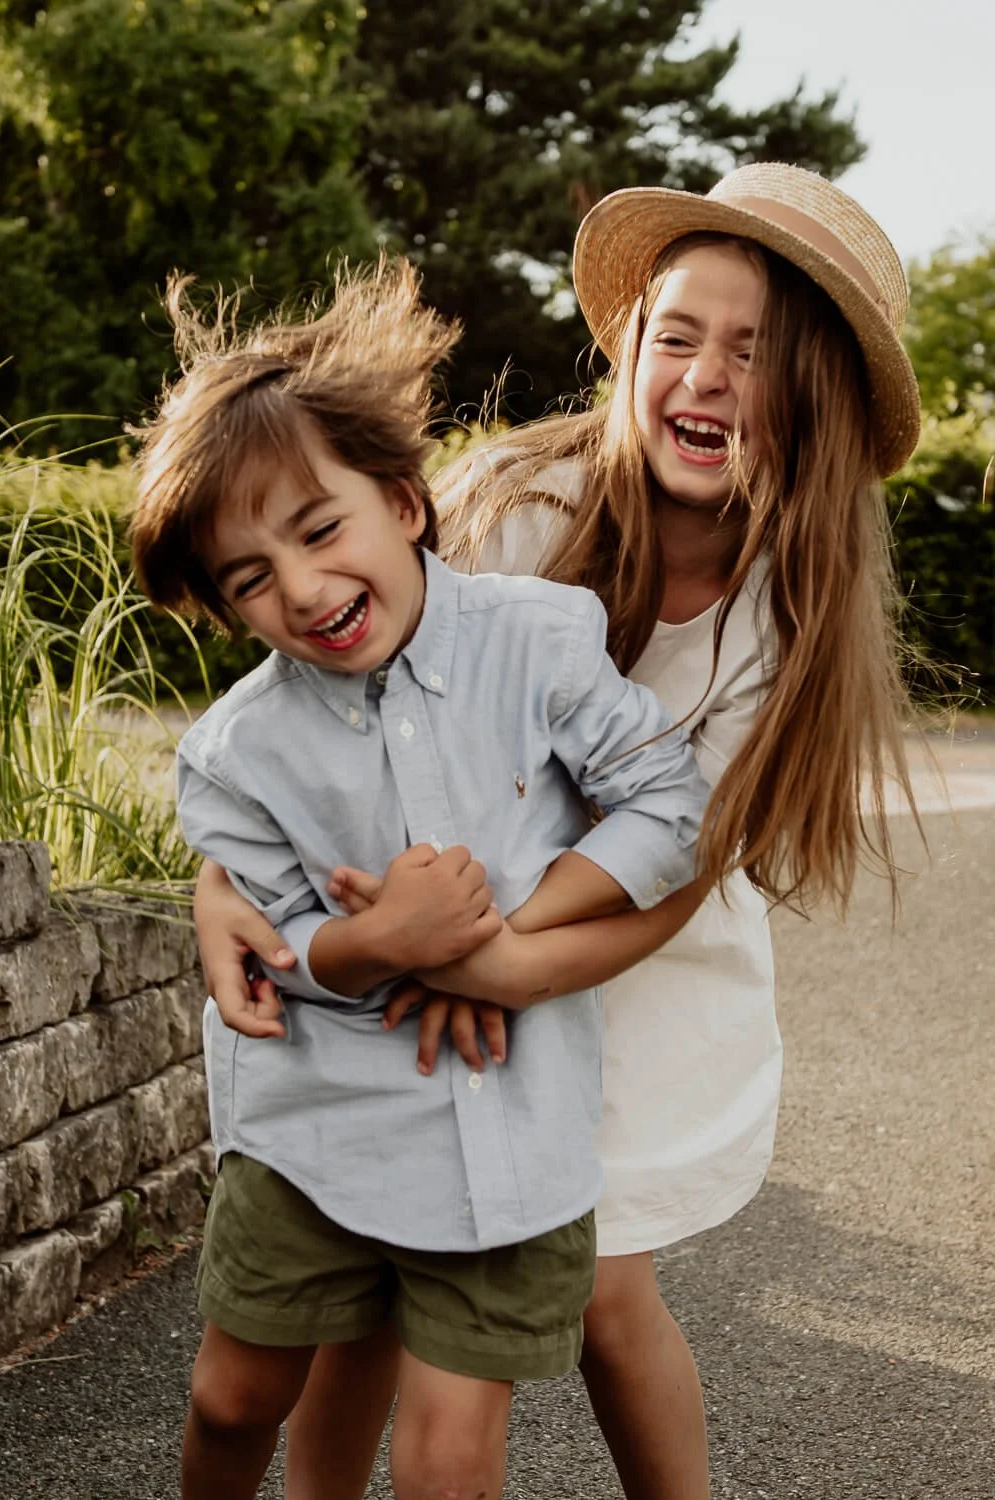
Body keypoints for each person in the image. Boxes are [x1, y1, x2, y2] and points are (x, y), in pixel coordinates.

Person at [193, 163, 924, 1500]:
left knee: (601, 1287)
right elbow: (343, 706)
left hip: (629, 952)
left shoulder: (788, 612)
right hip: (436, 894)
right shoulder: (523, 511)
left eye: (749, 354)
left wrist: (507, 962)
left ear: (809, 397)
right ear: (632, 349)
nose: (703, 375)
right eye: (678, 334)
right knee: (381, 1249)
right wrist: (244, 878)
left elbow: (687, 862)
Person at [130, 258, 715, 1500]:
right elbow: (269, 951)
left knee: (448, 1456)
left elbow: (673, 804)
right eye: (247, 579)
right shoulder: (236, 754)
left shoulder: (539, 641)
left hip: (502, 1128)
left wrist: (495, 932)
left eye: (317, 527)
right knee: (231, 1400)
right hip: (312, 1131)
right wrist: (380, 939)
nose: (299, 589)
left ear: (401, 501)